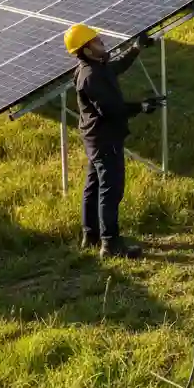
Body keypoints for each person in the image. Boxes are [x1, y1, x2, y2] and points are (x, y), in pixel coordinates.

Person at [64, 23, 165, 259]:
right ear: (86, 50)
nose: (102, 42)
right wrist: (141, 106)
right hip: (104, 139)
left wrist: (136, 48)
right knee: (110, 191)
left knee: (94, 186)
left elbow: (116, 68)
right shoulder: (91, 76)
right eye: (96, 41)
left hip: (95, 138)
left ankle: (90, 235)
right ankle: (110, 245)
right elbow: (112, 110)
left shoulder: (93, 67)